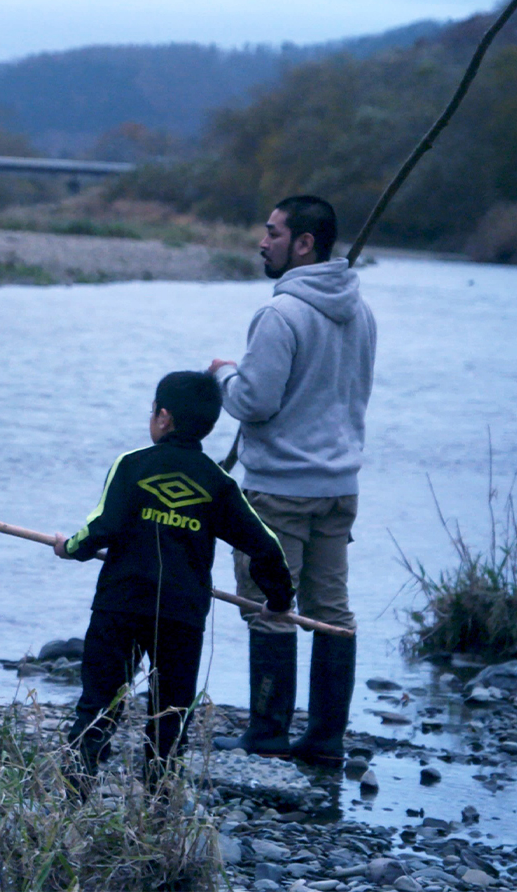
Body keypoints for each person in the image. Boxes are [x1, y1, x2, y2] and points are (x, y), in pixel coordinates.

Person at [53, 370, 294, 789]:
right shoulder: (218, 484)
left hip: (120, 605)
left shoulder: (131, 465)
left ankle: (75, 797)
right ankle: (160, 809)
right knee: (170, 715)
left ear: (163, 417)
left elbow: (101, 528)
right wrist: (278, 599)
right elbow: (266, 545)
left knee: (98, 704)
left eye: (153, 411)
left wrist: (69, 548)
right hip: (182, 616)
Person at [209, 195, 376, 767]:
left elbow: (255, 403)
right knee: (332, 610)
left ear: (304, 244)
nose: (262, 241)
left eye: (273, 233)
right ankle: (326, 741)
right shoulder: (362, 312)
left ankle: (268, 735)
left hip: (280, 488)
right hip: (340, 486)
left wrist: (224, 375)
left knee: (269, 605)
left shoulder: (280, 315)